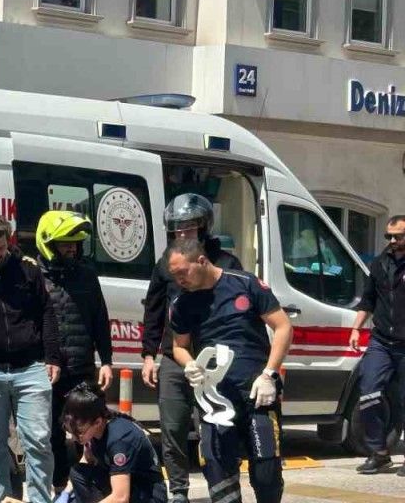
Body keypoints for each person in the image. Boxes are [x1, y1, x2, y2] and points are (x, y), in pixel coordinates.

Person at [168, 237, 291, 503]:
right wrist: (189, 364)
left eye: (183, 272)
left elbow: (283, 327)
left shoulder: (245, 284)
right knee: (218, 471)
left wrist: (269, 374)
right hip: (214, 398)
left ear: (202, 261)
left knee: (266, 470)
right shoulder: (181, 303)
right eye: (174, 275)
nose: (179, 280)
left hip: (256, 392)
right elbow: (179, 346)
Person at [139, 193, 242, 503]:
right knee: (172, 427)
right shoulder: (166, 264)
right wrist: (148, 355)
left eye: (189, 227)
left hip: (215, 360)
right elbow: (154, 310)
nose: (183, 233)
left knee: (217, 426)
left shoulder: (227, 263)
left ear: (204, 226)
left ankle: (222, 488)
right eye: (177, 229)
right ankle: (179, 491)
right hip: (175, 355)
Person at [0, 214, 62, 503]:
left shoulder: (27, 270)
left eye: (0, 249)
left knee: (38, 441)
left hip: (30, 366)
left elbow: (46, 312)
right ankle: (2, 498)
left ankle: (39, 499)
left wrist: (52, 356)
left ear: (8, 243)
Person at [35, 211, 114, 496]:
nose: (71, 248)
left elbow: (100, 319)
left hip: (81, 366)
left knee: (89, 427)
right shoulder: (34, 276)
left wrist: (106, 361)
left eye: (75, 243)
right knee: (52, 432)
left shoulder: (86, 275)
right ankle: (60, 486)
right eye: (65, 243)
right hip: (47, 370)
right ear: (49, 244)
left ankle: (93, 486)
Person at [349, 214, 405, 474]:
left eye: (398, 236)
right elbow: (368, 300)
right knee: (369, 391)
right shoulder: (379, 263)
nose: (392, 240)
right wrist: (356, 328)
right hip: (381, 341)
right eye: (389, 236)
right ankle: (379, 453)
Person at [60, 383, 168, 503]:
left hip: (146, 494)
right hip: (124, 483)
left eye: (79, 433)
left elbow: (121, 498)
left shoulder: (119, 441)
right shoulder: (94, 425)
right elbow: (86, 460)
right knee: (78, 472)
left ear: (97, 422)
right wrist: (66, 492)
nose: (74, 439)